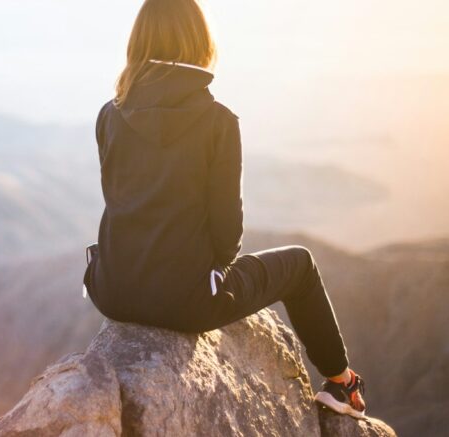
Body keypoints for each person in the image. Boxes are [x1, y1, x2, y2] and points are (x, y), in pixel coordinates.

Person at [81, 0, 367, 419]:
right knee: (301, 265)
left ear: (138, 43)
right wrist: (205, 276)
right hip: (187, 303)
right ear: (200, 43)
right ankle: (342, 383)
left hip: (111, 291)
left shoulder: (109, 114)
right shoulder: (218, 122)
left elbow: (119, 201)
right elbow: (228, 233)